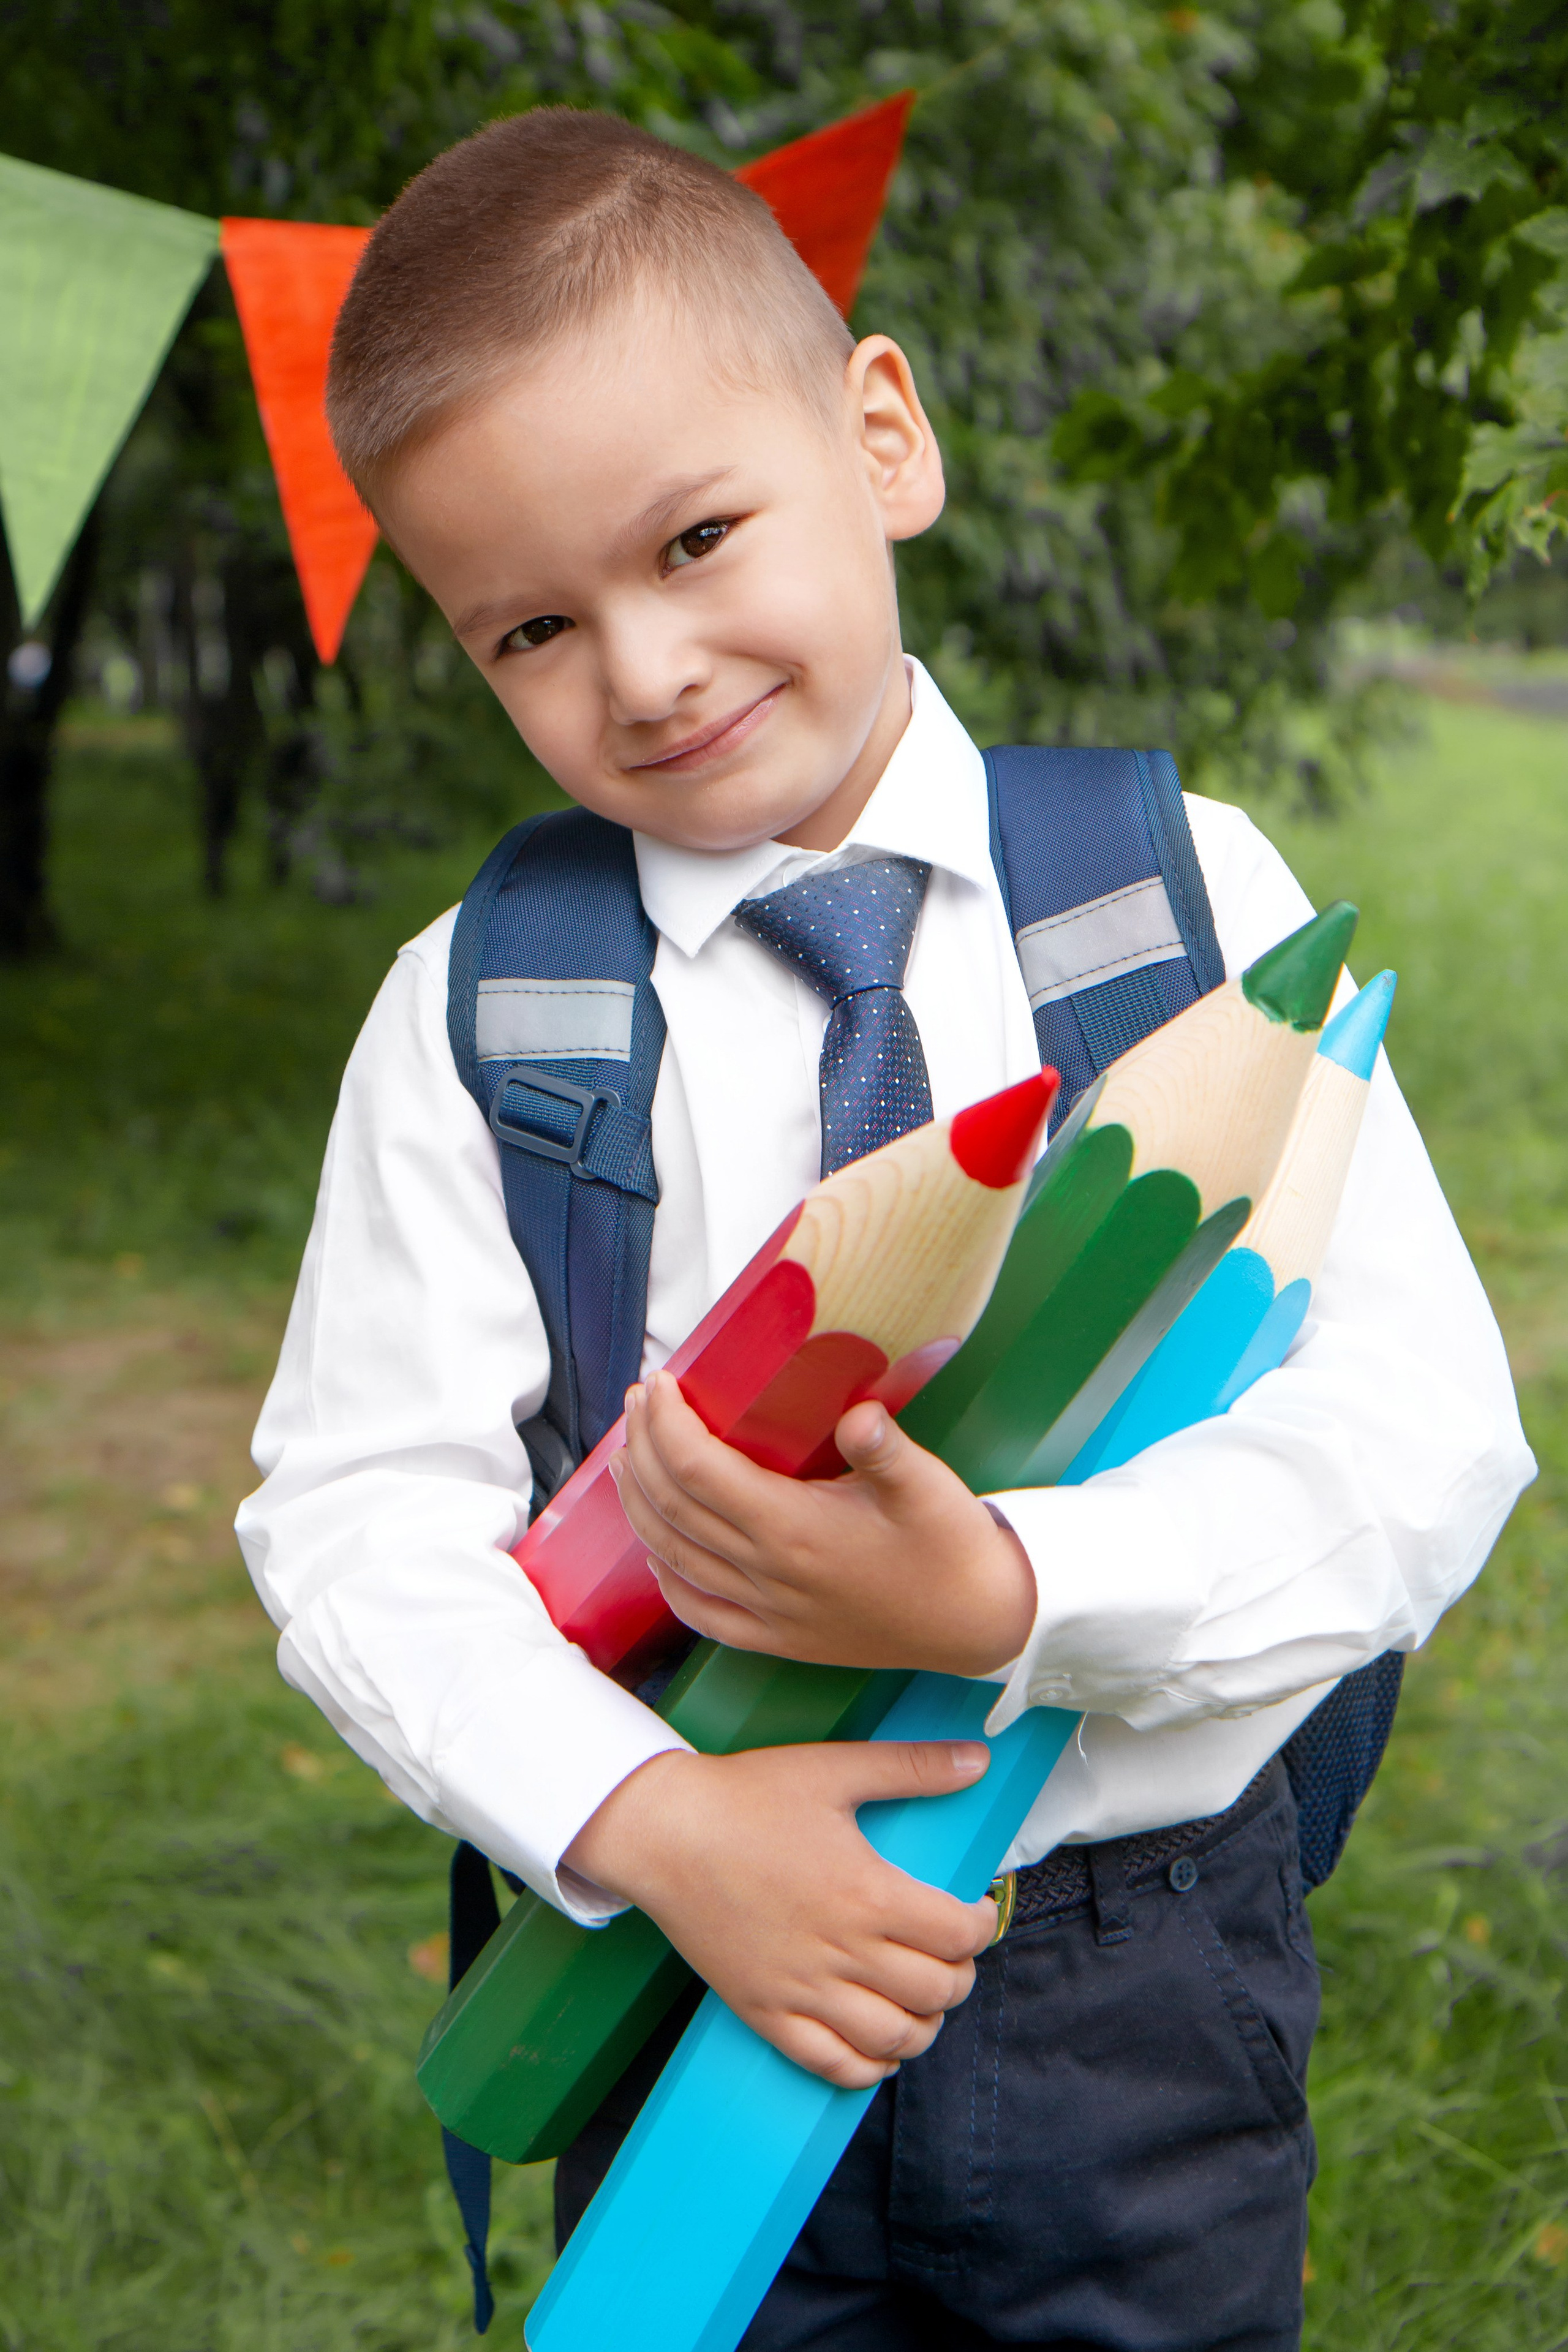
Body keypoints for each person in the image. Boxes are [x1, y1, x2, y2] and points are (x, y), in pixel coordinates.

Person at [236, 107, 1534, 2351]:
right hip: (675, 1955)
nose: (643, 670)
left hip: (1124, 1973)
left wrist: (1018, 1584)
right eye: (535, 625)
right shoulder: (484, 1007)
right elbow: (358, 1520)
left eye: (699, 537)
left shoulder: (1174, 899)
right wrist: (643, 1820)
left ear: (885, 435)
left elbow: (1420, 1432)